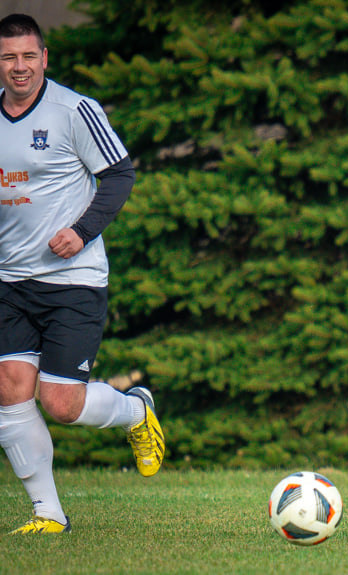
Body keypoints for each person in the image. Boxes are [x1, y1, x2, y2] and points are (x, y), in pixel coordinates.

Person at [0, 14, 165, 534]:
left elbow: (119, 174)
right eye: (8, 57)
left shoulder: (73, 110)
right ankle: (48, 515)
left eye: (28, 56)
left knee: (61, 403)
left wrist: (83, 229)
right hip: (9, 281)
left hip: (73, 280)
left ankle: (136, 412)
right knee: (9, 389)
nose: (19, 67)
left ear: (44, 58)